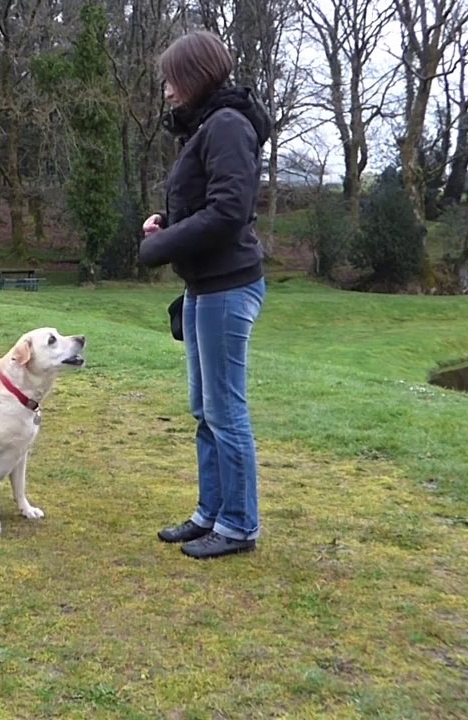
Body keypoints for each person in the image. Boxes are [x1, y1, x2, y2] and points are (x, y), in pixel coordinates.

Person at [138, 30, 271, 560]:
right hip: (203, 288)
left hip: (228, 287)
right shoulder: (206, 127)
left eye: (172, 80)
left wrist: (160, 247)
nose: (167, 91)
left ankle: (238, 526)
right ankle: (210, 514)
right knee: (205, 408)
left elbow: (228, 212)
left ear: (195, 76)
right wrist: (167, 223)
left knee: (225, 410)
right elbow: (205, 204)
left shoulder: (228, 126)